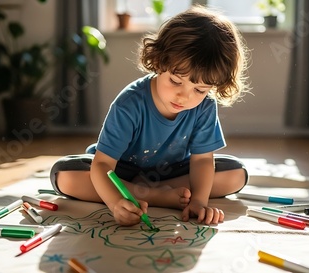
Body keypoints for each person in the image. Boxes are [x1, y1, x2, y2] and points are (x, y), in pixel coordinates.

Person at [50, 5, 251, 226]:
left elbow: (203, 160)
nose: (184, 96)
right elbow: (102, 165)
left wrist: (200, 201)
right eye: (176, 81)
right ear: (159, 61)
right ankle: (152, 195)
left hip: (173, 172)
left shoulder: (205, 106)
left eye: (200, 90)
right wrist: (116, 202)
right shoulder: (129, 103)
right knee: (65, 175)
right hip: (120, 172)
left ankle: (152, 192)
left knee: (236, 173)